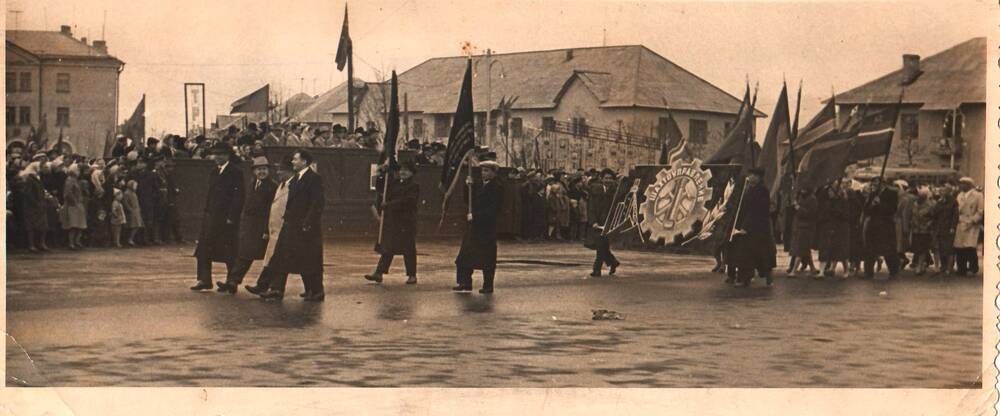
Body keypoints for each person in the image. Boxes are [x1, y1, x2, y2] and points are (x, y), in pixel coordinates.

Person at [261, 149, 326, 301]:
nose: (293, 162)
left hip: (305, 227)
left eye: (295, 159)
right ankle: (277, 289)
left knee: (308, 259)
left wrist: (308, 223)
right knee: (282, 256)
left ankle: (316, 291)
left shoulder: (314, 178)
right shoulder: (297, 178)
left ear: (304, 161)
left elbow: (317, 203)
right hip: (291, 224)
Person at [216, 156, 278, 293]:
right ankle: (233, 281)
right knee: (244, 254)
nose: (262, 172)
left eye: (264, 169)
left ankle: (268, 286)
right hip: (249, 226)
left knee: (266, 257)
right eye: (259, 169)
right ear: (254, 171)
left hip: (262, 226)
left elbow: (271, 210)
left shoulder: (272, 186)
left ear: (269, 170)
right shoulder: (252, 183)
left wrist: (266, 230)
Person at [191, 143, 245, 291]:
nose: (217, 157)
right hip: (211, 216)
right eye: (215, 154)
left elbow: (238, 197)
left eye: (220, 154)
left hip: (225, 218)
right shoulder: (214, 172)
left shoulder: (235, 172)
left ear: (227, 155)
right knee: (203, 249)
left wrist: (232, 216)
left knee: (229, 250)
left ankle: (231, 281)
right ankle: (204, 279)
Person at [454, 152, 504, 294]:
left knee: (486, 258)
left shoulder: (497, 187)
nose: (483, 173)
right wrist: (467, 186)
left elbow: (493, 209)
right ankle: (465, 282)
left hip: (486, 227)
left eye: (487, 170)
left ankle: (488, 285)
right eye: (482, 170)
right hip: (474, 226)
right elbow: (467, 200)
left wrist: (475, 216)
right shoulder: (479, 185)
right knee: (465, 256)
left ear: (494, 173)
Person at [247, 154, 295, 298]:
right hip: (275, 228)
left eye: (281, 170)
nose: (278, 172)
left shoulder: (293, 185)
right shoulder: (282, 185)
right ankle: (264, 285)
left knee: (280, 260)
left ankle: (275, 289)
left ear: (289, 172)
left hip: (284, 229)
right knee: (272, 259)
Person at [365, 160, 420, 285]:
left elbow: (408, 201)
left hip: (406, 222)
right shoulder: (394, 183)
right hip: (393, 220)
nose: (403, 172)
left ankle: (412, 275)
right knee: (388, 247)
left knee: (408, 249)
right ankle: (379, 273)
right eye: (401, 170)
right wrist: (380, 173)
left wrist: (389, 205)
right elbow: (380, 188)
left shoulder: (414, 186)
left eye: (406, 170)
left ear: (412, 173)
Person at [728, 168, 776, 287]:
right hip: (748, 226)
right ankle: (745, 278)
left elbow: (757, 211)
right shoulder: (749, 189)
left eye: (753, 175)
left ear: (759, 177)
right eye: (750, 174)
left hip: (758, 228)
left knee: (761, 254)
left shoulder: (762, 190)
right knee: (747, 254)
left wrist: (746, 226)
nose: (750, 176)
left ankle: (767, 278)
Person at [862, 179, 900, 279]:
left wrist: (880, 203)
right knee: (870, 249)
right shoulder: (873, 194)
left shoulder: (892, 194)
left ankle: (893, 272)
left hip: (886, 225)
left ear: (882, 184)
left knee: (889, 250)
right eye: (873, 184)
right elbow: (866, 210)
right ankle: (868, 272)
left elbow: (892, 209)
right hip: (873, 225)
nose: (874, 186)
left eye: (876, 184)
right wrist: (872, 205)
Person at [817, 180, 850, 279]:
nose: (829, 193)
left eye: (831, 191)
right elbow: (821, 213)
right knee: (824, 249)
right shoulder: (825, 201)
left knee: (841, 250)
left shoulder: (843, 202)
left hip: (840, 228)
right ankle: (821, 272)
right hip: (827, 227)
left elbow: (846, 215)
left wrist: (836, 211)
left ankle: (846, 270)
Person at [18, 159, 51, 252]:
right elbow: (28, 193)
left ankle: (41, 243)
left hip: (40, 204)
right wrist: (35, 202)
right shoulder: (30, 178)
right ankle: (31, 244)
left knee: (42, 225)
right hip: (31, 205)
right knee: (31, 226)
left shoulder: (37, 177)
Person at [953, 177, 983, 276]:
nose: (961, 186)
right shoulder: (960, 195)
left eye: (963, 183)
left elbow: (980, 211)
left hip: (972, 224)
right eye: (960, 183)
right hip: (960, 222)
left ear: (969, 185)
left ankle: (973, 267)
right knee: (959, 247)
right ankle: (961, 268)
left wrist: (973, 220)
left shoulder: (978, 195)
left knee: (970, 247)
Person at [787, 187, 819, 277]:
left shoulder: (812, 199)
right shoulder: (801, 197)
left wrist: (798, 208)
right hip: (799, 226)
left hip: (807, 227)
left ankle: (794, 270)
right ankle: (812, 268)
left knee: (800, 249)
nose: (802, 190)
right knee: (805, 248)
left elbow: (811, 214)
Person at [931, 182, 958, 276]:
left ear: (949, 191)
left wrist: (952, 227)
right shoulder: (939, 201)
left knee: (949, 248)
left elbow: (955, 216)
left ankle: (949, 268)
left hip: (948, 227)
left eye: (944, 190)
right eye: (941, 190)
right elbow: (935, 213)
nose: (942, 192)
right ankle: (942, 266)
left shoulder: (953, 201)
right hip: (939, 227)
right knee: (939, 247)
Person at [910, 186, 936, 275]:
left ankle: (920, 265)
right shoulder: (915, 204)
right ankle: (923, 263)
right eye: (919, 195)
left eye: (922, 195)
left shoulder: (931, 205)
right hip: (915, 229)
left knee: (923, 248)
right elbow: (912, 215)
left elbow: (934, 217)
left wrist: (930, 223)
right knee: (916, 248)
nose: (919, 197)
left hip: (925, 230)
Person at [61, 163, 88, 250]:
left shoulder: (75, 180)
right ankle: (71, 243)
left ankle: (77, 241)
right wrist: (74, 201)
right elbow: (68, 193)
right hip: (73, 205)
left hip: (78, 204)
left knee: (80, 224)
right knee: (73, 225)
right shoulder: (70, 180)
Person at [123, 180, 143, 246]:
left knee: (136, 225)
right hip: (132, 211)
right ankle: (129, 239)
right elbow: (126, 203)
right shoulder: (127, 193)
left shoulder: (134, 193)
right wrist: (130, 209)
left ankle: (131, 239)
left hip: (136, 211)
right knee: (132, 226)